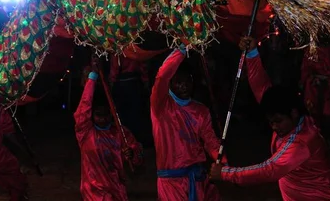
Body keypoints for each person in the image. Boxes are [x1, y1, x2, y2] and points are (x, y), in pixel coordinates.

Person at [209, 37, 330, 201]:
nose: (274, 127)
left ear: (293, 113)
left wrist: (225, 173)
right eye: (271, 122)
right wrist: (251, 53)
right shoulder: (287, 114)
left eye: (277, 121)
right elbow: (261, 87)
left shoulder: (301, 142)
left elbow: (269, 170)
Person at [151, 44, 226, 201]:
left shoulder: (200, 111)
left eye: (188, 81)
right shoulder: (161, 106)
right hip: (171, 183)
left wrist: (223, 162)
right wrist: (181, 49)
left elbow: (210, 141)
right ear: (170, 83)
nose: (184, 86)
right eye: (178, 81)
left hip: (198, 180)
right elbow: (162, 76)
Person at [75, 57, 143, 201]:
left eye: (107, 115)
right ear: (92, 115)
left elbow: (137, 156)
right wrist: (92, 76)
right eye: (99, 115)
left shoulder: (120, 132)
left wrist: (131, 154)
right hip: (94, 192)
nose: (103, 118)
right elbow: (84, 107)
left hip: (116, 190)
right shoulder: (86, 132)